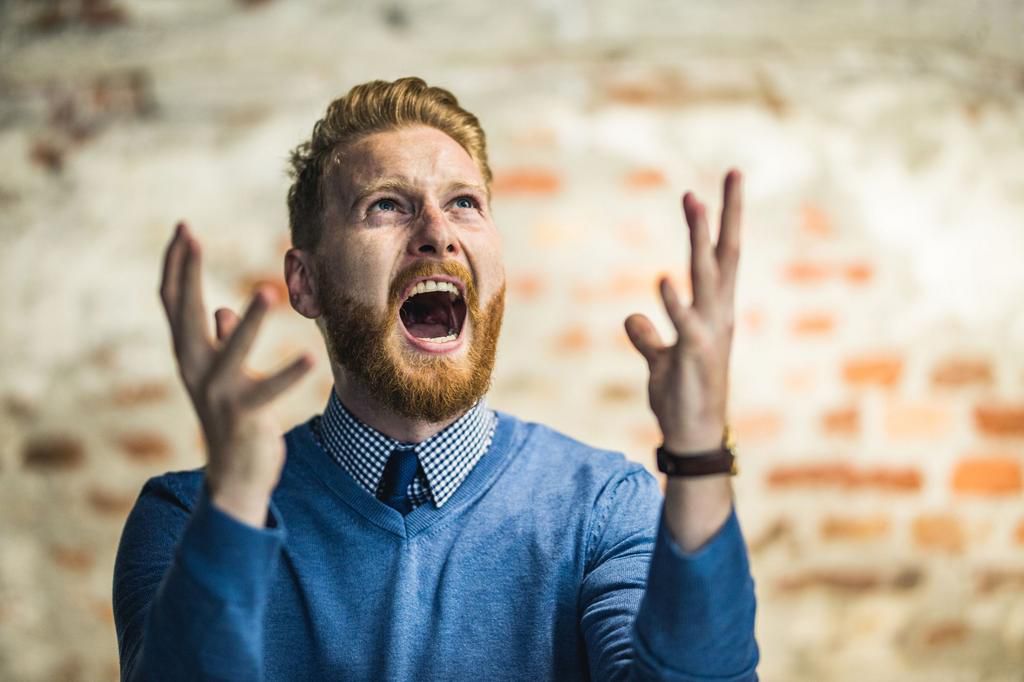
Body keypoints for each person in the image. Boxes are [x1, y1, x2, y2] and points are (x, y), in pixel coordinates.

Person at [113, 77, 759, 681]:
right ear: (305, 282)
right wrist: (235, 504)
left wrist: (700, 456)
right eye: (387, 205)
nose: (438, 234)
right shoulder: (184, 519)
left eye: (464, 204)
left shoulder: (603, 509)